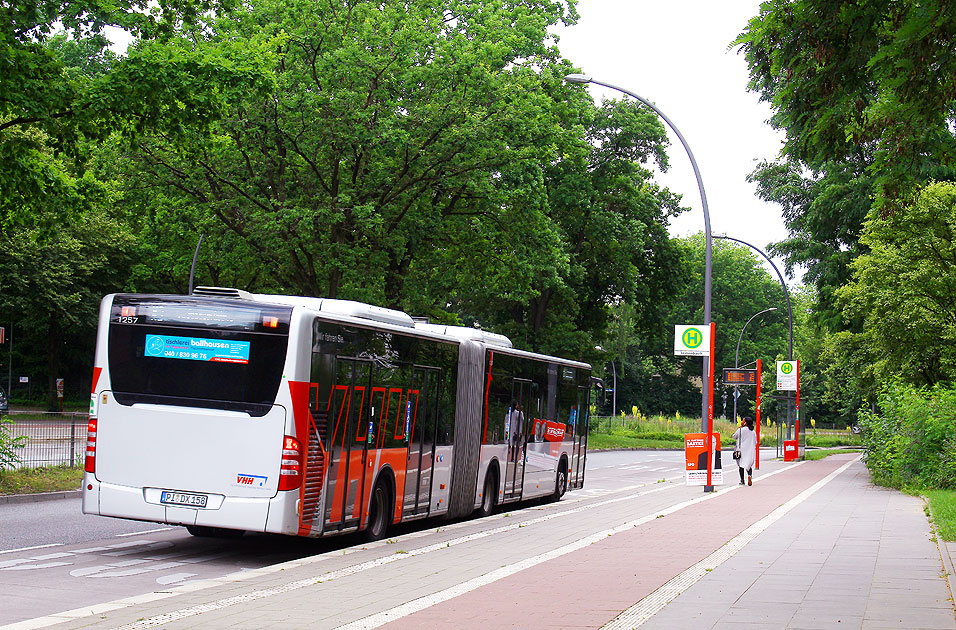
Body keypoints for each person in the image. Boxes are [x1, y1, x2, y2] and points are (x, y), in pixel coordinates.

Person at [733, 416, 757, 486]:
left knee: (741, 465)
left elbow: (734, 436)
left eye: (743, 420)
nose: (742, 421)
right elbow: (755, 442)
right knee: (748, 465)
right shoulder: (753, 432)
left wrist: (739, 428)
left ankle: (742, 480)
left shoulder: (741, 430)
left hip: (741, 450)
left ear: (745, 423)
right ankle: (749, 475)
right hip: (750, 450)